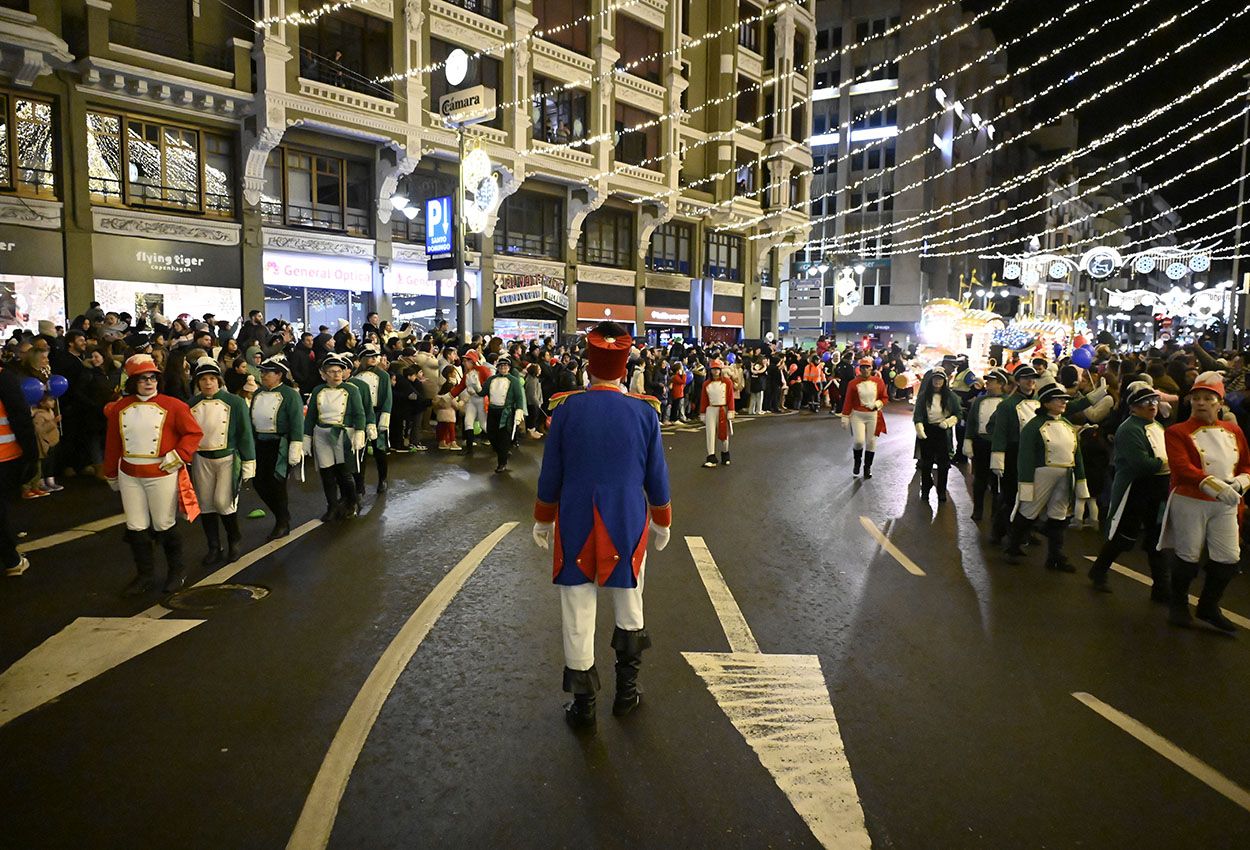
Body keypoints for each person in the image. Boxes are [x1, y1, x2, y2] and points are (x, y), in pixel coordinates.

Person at [531, 322, 672, 729]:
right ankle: (626, 695)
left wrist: (543, 518)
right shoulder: (645, 411)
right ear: (624, 368)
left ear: (587, 369)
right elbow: (656, 476)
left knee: (578, 608)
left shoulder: (566, 408)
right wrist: (661, 519)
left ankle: (584, 707)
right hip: (627, 520)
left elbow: (550, 474)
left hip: (575, 519)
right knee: (630, 602)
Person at [1156, 372, 1250, 633]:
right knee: (1188, 555)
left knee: (1229, 557)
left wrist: (1241, 483)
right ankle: (1178, 605)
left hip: (1226, 504)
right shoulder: (1177, 431)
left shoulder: (1233, 430)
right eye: (1196, 398)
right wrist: (1217, 487)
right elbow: (1182, 469)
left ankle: (1209, 606)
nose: (1201, 403)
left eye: (1208, 398)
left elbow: (1245, 465)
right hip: (1191, 500)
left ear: (1219, 402)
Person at [104, 354, 203, 595]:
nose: (149, 383)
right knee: (135, 526)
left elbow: (193, 434)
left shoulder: (174, 406)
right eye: (142, 378)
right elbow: (113, 443)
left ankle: (176, 572)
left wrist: (179, 455)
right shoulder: (120, 408)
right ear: (132, 382)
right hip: (129, 474)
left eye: (152, 378)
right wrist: (110, 473)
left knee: (164, 524)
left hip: (161, 474)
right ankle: (145, 575)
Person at [1087, 382, 1171, 598]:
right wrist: (1166, 462)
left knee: (1156, 537)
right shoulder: (1129, 429)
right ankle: (1099, 571)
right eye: (1145, 402)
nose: (1151, 405)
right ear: (1133, 407)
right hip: (1136, 488)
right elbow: (1140, 463)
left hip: (1158, 488)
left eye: (1153, 401)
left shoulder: (1157, 426)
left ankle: (1161, 587)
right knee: (1124, 535)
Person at [1003, 384, 1089, 572]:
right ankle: (1012, 547)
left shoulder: (1067, 424)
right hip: (1042, 473)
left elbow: (1077, 454)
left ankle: (1055, 556)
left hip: (1066, 474)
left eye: (1064, 399)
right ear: (1046, 402)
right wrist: (1025, 482)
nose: (1063, 402)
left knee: (1059, 516)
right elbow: (1025, 457)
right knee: (1028, 511)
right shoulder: (1033, 426)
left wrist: (1081, 479)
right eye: (1058, 399)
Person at [188, 357, 256, 569]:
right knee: (206, 504)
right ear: (197, 382)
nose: (208, 383)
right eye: (203, 379)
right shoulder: (190, 405)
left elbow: (245, 433)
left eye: (212, 378)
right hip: (201, 458)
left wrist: (248, 461)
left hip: (227, 458)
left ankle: (234, 540)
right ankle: (213, 546)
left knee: (223, 502)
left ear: (218, 380)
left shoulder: (234, 402)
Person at [304, 353, 367, 522]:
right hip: (321, 433)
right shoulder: (318, 390)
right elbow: (311, 415)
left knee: (344, 472)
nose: (337, 374)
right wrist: (306, 436)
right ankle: (331, 506)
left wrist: (360, 431)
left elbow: (359, 413)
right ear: (323, 374)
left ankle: (352, 501)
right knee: (326, 472)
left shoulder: (351, 390)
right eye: (332, 371)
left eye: (339, 371)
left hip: (342, 434)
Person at [250, 355, 305, 541]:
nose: (263, 375)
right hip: (260, 443)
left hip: (280, 444)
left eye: (267, 372)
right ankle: (282, 514)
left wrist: (296, 444)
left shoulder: (290, 394)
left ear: (279, 374)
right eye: (262, 372)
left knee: (277, 483)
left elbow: (297, 421)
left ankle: (282, 523)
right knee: (258, 482)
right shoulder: (258, 393)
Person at [0, 360, 38, 577]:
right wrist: (31, 455)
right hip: (5, 456)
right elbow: (20, 418)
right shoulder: (4, 377)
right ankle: (11, 560)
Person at [962, 368, 1009, 522]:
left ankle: (996, 512)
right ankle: (978, 509)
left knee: (997, 483)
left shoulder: (1007, 402)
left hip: (999, 446)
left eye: (992, 381)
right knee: (979, 480)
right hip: (981, 444)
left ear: (1001, 384)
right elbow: (972, 422)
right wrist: (968, 440)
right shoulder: (979, 401)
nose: (987, 383)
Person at [913, 370, 961, 503]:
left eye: (940, 379)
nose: (937, 382)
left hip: (943, 432)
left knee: (943, 464)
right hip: (928, 431)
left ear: (944, 381)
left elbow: (958, 413)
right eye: (935, 379)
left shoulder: (951, 396)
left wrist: (948, 422)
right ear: (931, 380)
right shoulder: (924, 396)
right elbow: (918, 414)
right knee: (926, 463)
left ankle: (941, 490)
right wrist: (919, 427)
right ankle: (926, 488)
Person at [351, 346, 393, 495]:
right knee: (359, 451)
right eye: (370, 356)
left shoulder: (383, 375)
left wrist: (385, 416)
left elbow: (388, 397)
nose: (374, 359)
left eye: (375, 356)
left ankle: (383, 479)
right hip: (360, 416)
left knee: (379, 450)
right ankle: (359, 485)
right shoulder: (354, 376)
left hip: (377, 414)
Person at [840, 356, 888, 479]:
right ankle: (857, 462)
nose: (865, 370)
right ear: (859, 369)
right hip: (857, 415)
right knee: (859, 441)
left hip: (873, 415)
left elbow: (884, 397)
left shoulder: (878, 382)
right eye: (863, 367)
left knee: (871, 442)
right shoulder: (853, 383)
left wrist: (877, 404)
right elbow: (848, 400)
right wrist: (845, 416)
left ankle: (867, 467)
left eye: (868, 367)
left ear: (871, 368)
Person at [481, 356, 526, 473]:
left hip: (506, 413)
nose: (503, 368)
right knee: (491, 434)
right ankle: (502, 451)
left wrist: (519, 410)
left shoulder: (514, 381)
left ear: (509, 368)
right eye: (501, 366)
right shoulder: (491, 379)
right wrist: (474, 385)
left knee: (504, 437)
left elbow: (519, 398)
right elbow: (482, 392)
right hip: (492, 411)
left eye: (505, 366)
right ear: (498, 368)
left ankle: (502, 463)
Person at [699, 359, 735, 468]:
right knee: (710, 433)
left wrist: (731, 410)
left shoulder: (727, 382)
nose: (715, 372)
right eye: (714, 369)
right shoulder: (706, 384)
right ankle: (711, 456)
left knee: (724, 434)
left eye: (717, 369)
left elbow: (730, 397)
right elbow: (704, 399)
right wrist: (703, 412)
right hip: (711, 409)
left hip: (723, 409)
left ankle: (725, 454)